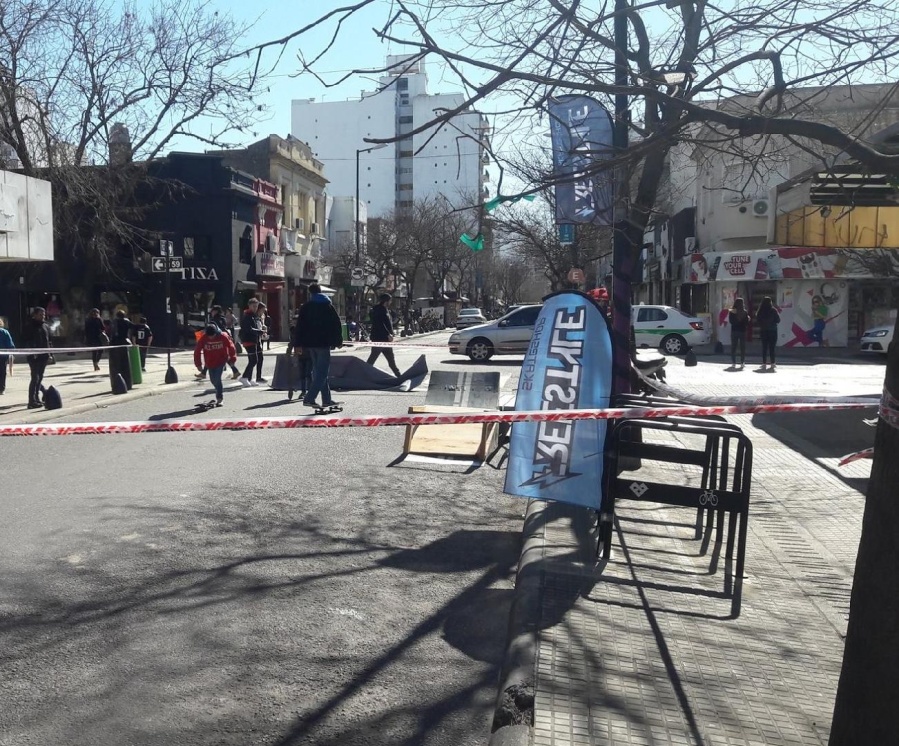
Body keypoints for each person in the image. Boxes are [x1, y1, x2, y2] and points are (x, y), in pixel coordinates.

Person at [293, 282, 343, 409]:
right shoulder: (327, 305)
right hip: (323, 343)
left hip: (309, 344)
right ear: (321, 291)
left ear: (310, 293)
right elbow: (336, 324)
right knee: (322, 373)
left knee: (319, 372)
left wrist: (297, 343)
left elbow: (299, 326)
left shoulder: (306, 307)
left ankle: (327, 400)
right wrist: (338, 341)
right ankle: (309, 398)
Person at [193, 323, 237, 407]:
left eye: (212, 336)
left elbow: (231, 347)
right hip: (209, 362)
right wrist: (198, 364)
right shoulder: (203, 338)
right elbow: (197, 351)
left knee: (217, 379)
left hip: (221, 360)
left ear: (216, 332)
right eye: (209, 336)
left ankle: (220, 398)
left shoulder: (223, 336)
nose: (211, 338)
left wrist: (233, 358)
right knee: (213, 380)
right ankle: (218, 390)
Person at [366, 293, 402, 377]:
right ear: (386, 301)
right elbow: (380, 324)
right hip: (379, 338)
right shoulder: (379, 310)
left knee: (391, 359)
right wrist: (388, 334)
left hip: (385, 340)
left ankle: (399, 375)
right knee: (372, 358)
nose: (391, 302)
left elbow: (386, 323)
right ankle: (364, 374)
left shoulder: (385, 309)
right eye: (390, 300)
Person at [23, 307, 52, 409]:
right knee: (35, 378)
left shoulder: (45, 326)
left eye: (43, 314)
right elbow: (25, 340)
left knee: (40, 377)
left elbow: (48, 341)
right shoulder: (30, 326)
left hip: (44, 355)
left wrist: (50, 354)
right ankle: (31, 401)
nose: (42, 316)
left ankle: (37, 398)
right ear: (34, 315)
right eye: (40, 314)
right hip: (34, 356)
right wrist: (31, 351)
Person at [238, 298, 264, 386]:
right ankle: (244, 377)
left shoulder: (253, 315)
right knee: (254, 360)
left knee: (252, 360)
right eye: (253, 306)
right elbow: (248, 329)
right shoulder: (247, 316)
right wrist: (258, 331)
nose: (255, 308)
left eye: (256, 306)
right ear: (249, 306)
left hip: (253, 339)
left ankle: (249, 378)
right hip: (248, 340)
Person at [756, 296, 781, 371]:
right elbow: (778, 320)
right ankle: (772, 363)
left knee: (764, 347)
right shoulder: (773, 310)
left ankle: (764, 363)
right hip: (773, 331)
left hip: (763, 331)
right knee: (772, 348)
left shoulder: (760, 311)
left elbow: (758, 320)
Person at [728, 298, 751, 369]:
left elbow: (731, 321)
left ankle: (733, 362)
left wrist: (736, 322)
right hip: (742, 331)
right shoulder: (745, 312)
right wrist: (748, 319)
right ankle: (742, 362)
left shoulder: (732, 312)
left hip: (734, 331)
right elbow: (746, 323)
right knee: (742, 347)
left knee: (733, 347)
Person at [0, 318, 14, 395]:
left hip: (2, 355)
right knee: (2, 372)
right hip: (3, 356)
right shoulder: (5, 332)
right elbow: (10, 344)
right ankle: (1, 388)